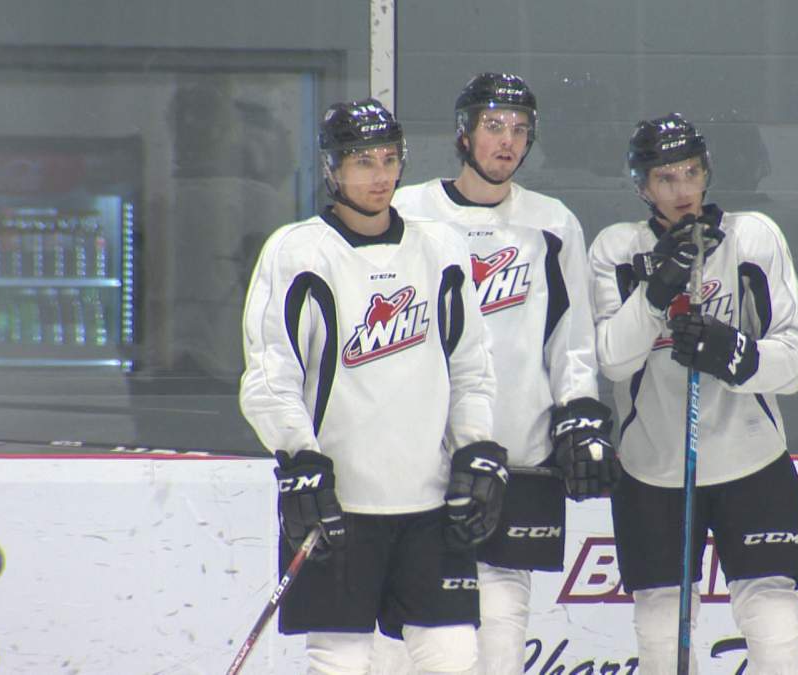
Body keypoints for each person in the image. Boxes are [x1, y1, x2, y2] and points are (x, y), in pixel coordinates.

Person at [239, 98, 507, 675]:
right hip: (339, 506)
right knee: (341, 661)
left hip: (432, 502)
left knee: (456, 658)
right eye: (363, 161)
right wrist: (299, 455)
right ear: (333, 169)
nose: (380, 175)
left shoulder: (439, 248)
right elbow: (269, 378)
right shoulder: (298, 251)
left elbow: (470, 367)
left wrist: (477, 447)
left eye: (389, 159)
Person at [372, 72, 619, 674]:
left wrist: (579, 411)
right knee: (410, 647)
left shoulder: (551, 222)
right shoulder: (410, 213)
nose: (507, 141)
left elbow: (572, 341)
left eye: (519, 130)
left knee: (500, 647)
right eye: (493, 126)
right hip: (422, 462)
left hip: (518, 456)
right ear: (463, 134)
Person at [587, 113, 798, 674]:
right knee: (662, 631)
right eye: (666, 178)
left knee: (774, 621)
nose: (683, 189)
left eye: (691, 172)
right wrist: (656, 290)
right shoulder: (617, 250)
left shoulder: (752, 236)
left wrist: (734, 354)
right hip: (653, 468)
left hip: (752, 458)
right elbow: (614, 360)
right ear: (641, 186)